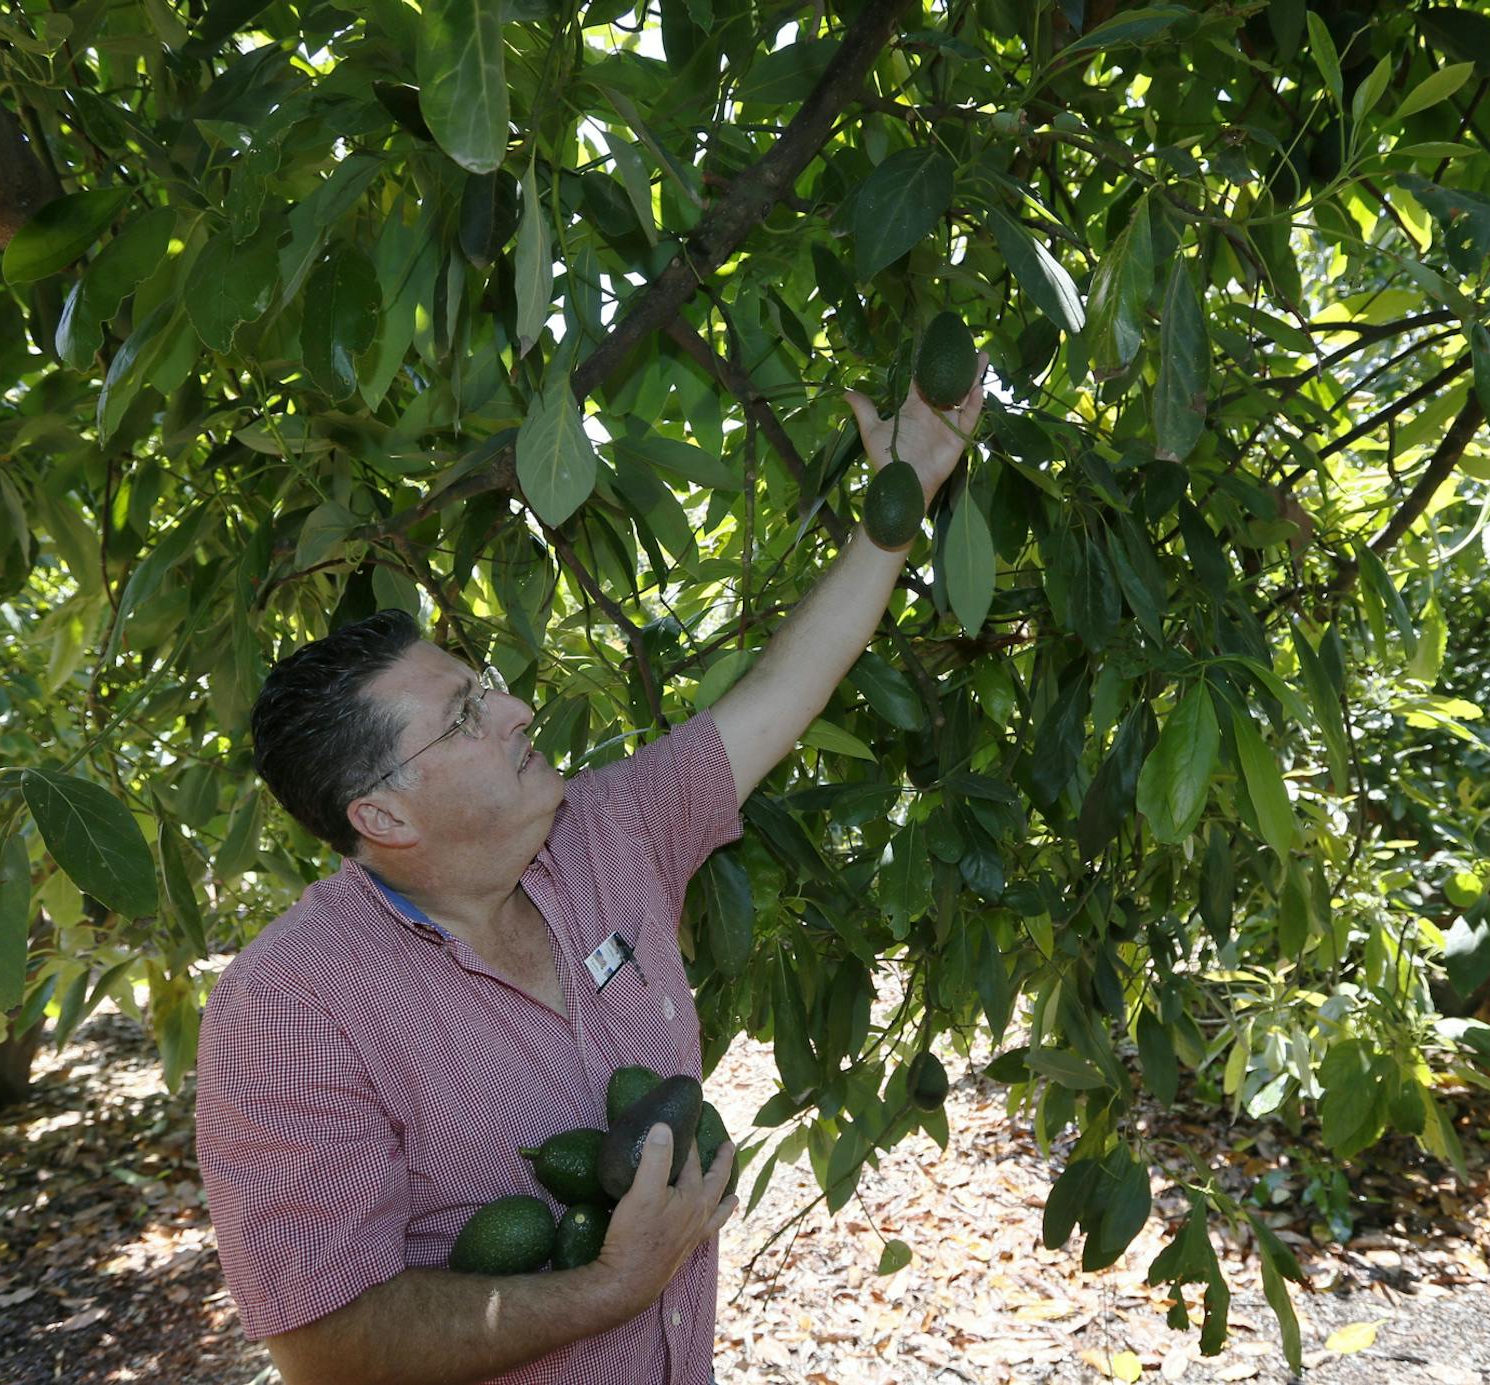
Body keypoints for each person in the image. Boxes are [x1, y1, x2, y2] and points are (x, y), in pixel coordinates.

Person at [193, 354, 985, 1385]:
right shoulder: (291, 1005)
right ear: (382, 811)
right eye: (467, 717)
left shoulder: (607, 831)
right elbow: (323, 1343)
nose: (519, 710)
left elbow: (788, 684)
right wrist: (610, 1285)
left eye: (490, 688)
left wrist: (905, 491)